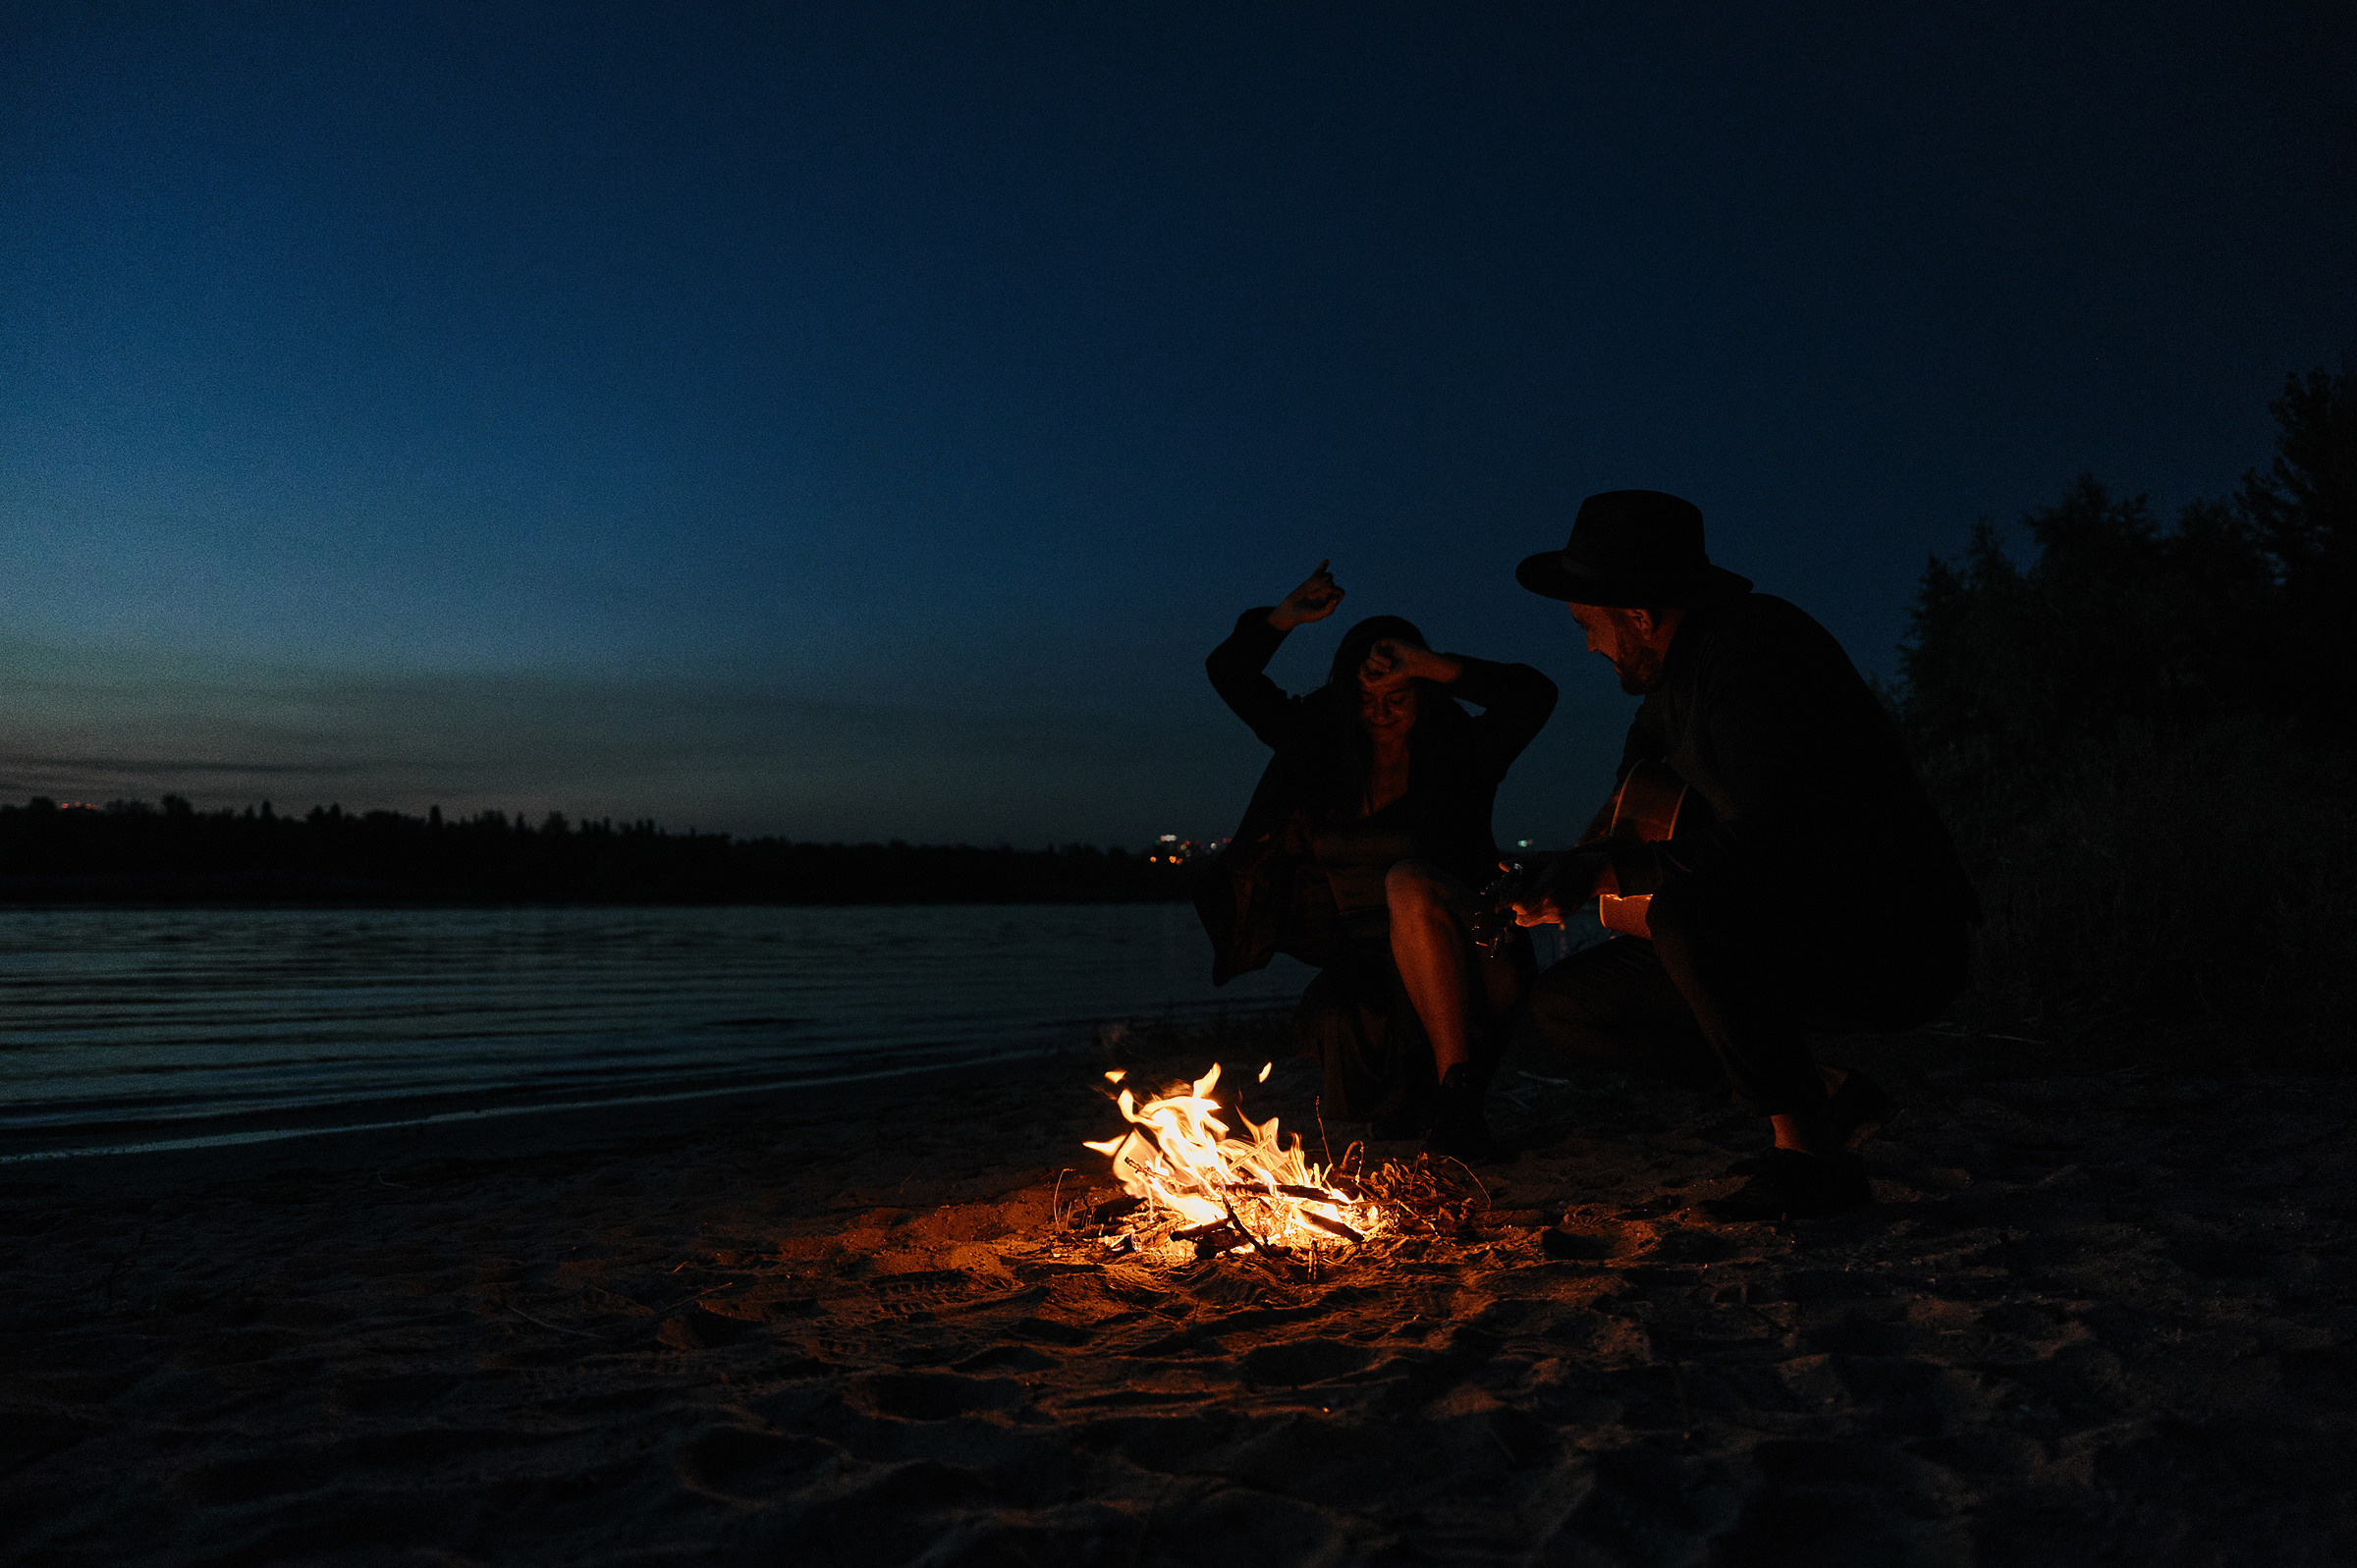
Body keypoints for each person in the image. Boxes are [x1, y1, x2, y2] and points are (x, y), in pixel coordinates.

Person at [1507, 491, 1977, 1220]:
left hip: (1888, 929)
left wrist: (1604, 873)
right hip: (1781, 923)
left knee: (1690, 912)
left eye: (1587, 625)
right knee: (1568, 1006)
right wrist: (1586, 854)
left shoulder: (1754, 652)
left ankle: (1813, 1160)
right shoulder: (1670, 681)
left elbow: (1780, 832)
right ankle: (1822, 1090)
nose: (1590, 647)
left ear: (1637, 614)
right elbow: (1640, 775)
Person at [1196, 561, 1558, 1161]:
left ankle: (1459, 1099)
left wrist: (1425, 660)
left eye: (1399, 695)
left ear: (1426, 692)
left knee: (1409, 881)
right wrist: (1285, 617)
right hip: (1366, 964)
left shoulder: (1464, 753)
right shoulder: (1317, 749)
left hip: (1474, 950)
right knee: (1345, 1013)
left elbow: (1534, 695)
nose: (1381, 713)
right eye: (1366, 699)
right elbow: (1229, 672)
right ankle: (1414, 1099)